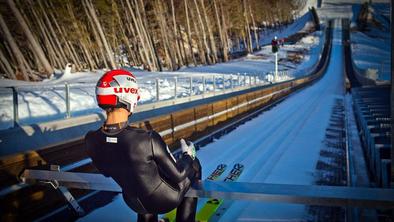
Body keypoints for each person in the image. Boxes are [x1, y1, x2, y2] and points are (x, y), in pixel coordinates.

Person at [85, 69, 201, 222]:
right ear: (128, 97)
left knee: (140, 175)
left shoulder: (92, 139)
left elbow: (107, 172)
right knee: (194, 166)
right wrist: (188, 155)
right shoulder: (147, 139)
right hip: (165, 200)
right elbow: (179, 174)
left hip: (133, 202)